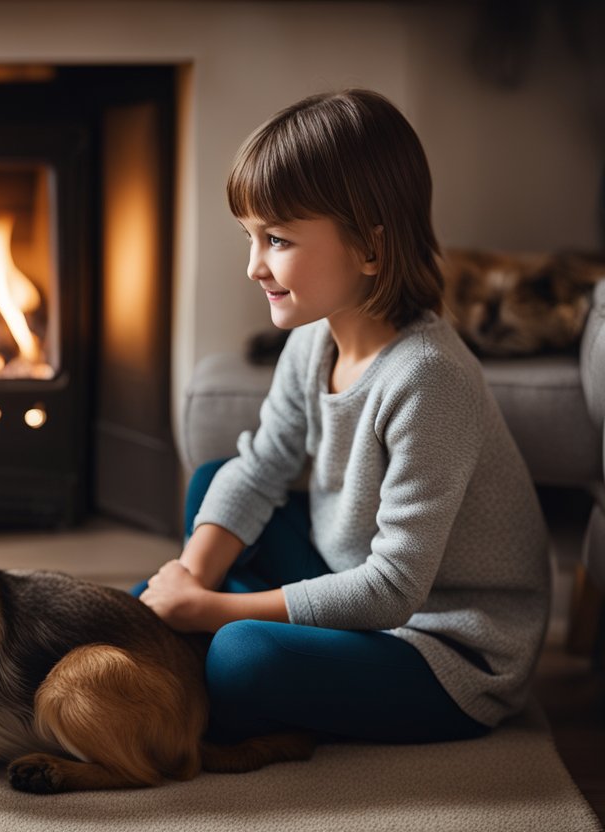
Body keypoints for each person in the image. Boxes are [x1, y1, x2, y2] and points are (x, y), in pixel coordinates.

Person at [136, 89, 550, 746]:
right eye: (250, 237)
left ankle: (219, 658)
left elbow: (392, 588)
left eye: (276, 239)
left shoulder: (428, 378)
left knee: (244, 656)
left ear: (369, 249)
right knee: (214, 483)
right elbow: (261, 465)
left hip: (442, 652)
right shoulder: (315, 336)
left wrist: (213, 610)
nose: (254, 267)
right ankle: (197, 641)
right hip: (351, 582)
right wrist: (190, 581)